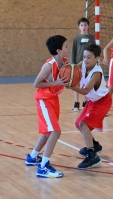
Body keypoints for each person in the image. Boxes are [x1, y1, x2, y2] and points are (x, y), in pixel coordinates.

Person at [25, 35, 69, 178]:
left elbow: (66, 80)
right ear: (58, 50)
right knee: (55, 132)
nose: (68, 49)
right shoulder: (48, 65)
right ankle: (43, 167)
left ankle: (32, 157)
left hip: (53, 99)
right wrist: (56, 83)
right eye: (66, 47)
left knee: (48, 132)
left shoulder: (64, 62)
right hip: (44, 99)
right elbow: (36, 84)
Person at [67, 44, 112, 169]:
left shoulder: (96, 73)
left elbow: (86, 90)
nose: (85, 59)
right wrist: (66, 72)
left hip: (102, 101)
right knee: (78, 123)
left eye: (89, 57)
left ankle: (92, 156)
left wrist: (71, 86)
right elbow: (74, 68)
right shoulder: (83, 64)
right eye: (84, 57)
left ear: (97, 58)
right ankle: (94, 145)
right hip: (93, 101)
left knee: (83, 124)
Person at [70, 17, 96, 112]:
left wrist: (95, 60)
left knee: (87, 83)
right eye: (81, 25)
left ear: (88, 26)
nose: (84, 26)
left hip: (88, 64)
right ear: (79, 27)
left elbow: (94, 50)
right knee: (76, 83)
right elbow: (74, 50)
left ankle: (86, 102)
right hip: (78, 63)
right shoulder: (77, 37)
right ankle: (76, 103)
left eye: (85, 25)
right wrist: (73, 64)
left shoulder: (91, 37)